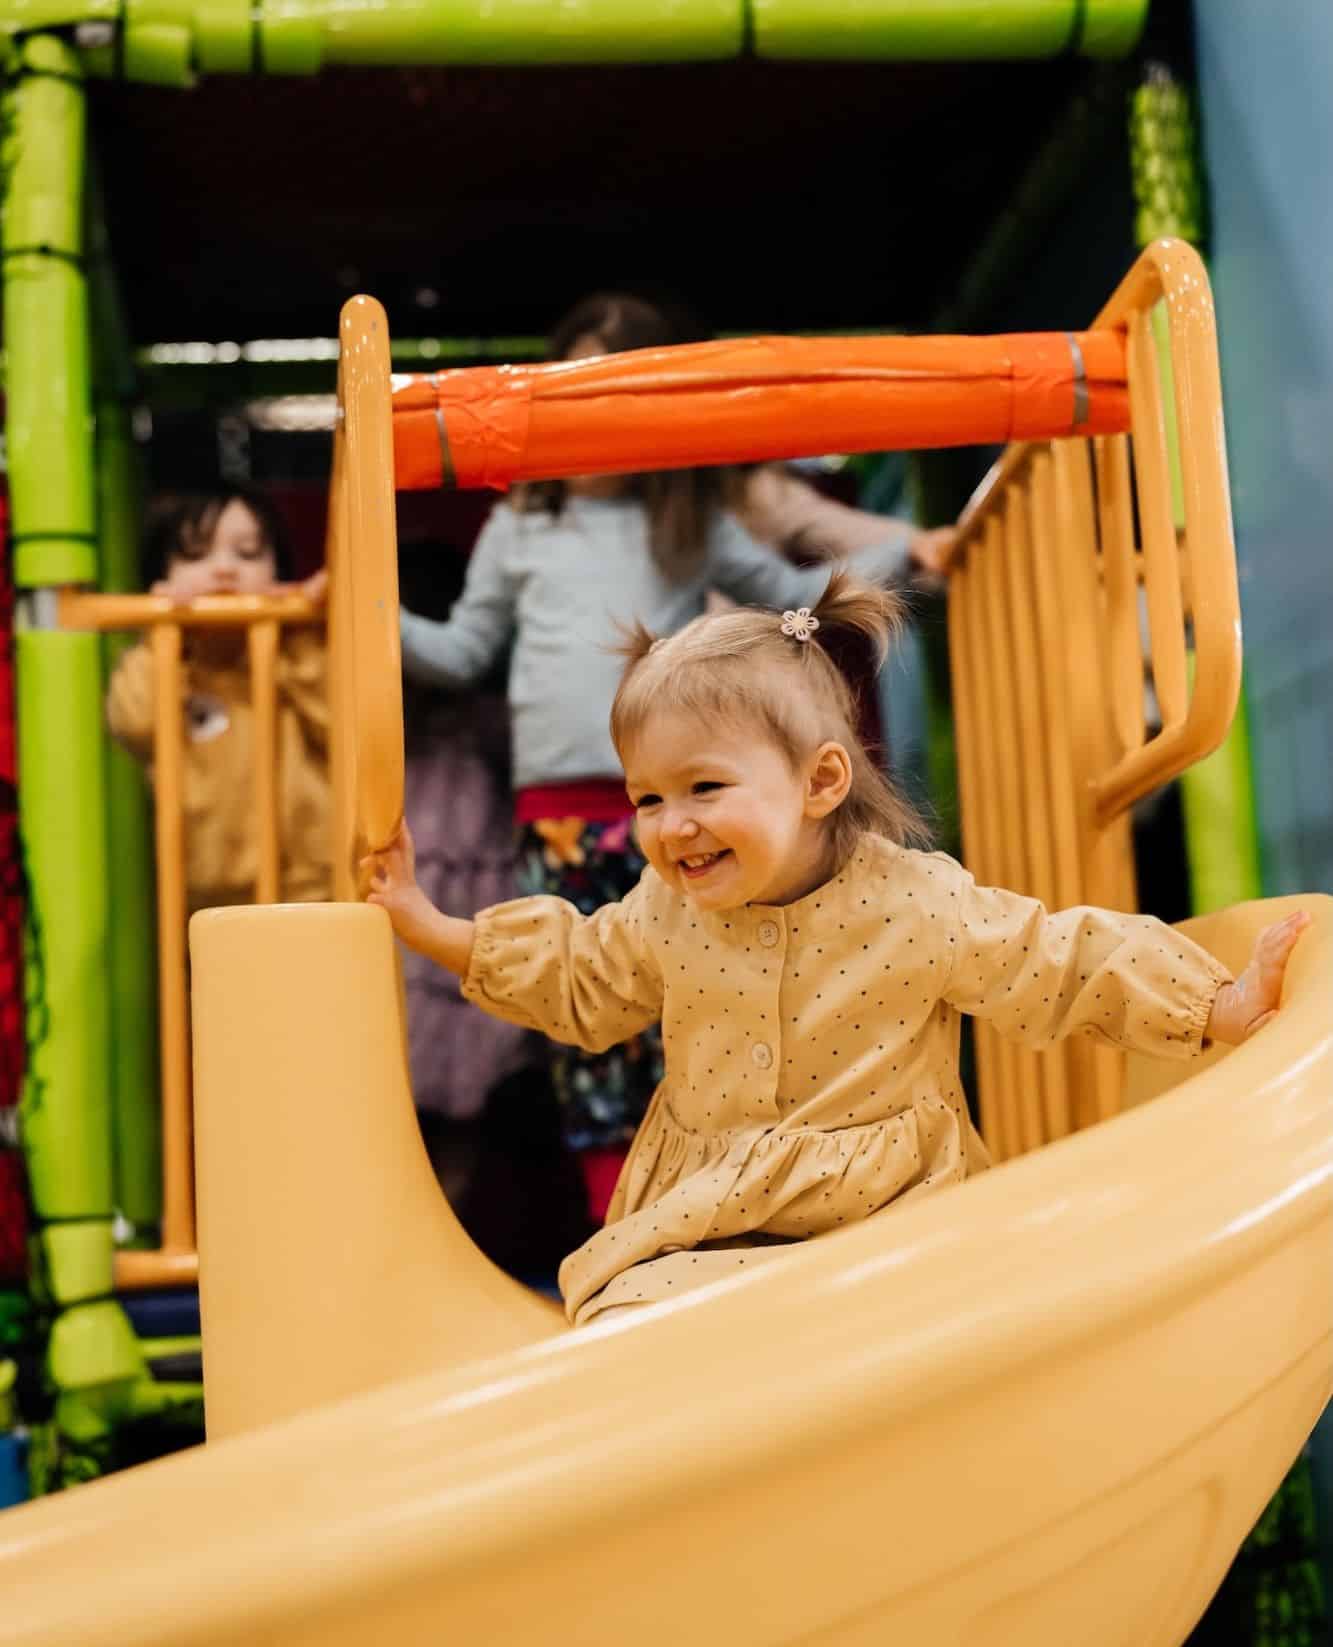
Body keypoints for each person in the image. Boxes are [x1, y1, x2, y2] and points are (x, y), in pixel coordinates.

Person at [366, 572, 1310, 1326]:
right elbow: (585, 973)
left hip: (889, 1215)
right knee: (625, 1318)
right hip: (708, 1215)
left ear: (821, 780)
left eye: (703, 786)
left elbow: (1055, 959)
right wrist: (427, 921)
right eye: (647, 797)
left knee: (937, 1318)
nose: (671, 825)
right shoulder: (667, 907)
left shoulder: (913, 903)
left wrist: (1215, 1003)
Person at [398, 292, 950, 1223]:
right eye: (573, 397)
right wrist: (361, 609)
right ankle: (627, 1219)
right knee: (594, 1024)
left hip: (681, 798)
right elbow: (459, 651)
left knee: (706, 1003)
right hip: (562, 810)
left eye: (617, 399)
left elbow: (792, 591)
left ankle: (730, 1212)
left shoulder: (686, 521)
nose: (595, 423)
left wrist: (909, 549)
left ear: (655, 413)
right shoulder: (523, 525)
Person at [106, 486, 331, 913]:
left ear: (279, 572)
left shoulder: (297, 653)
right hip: (209, 898)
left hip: (312, 888)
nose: (225, 569)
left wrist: (299, 631)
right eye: (196, 555)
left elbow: (344, 724)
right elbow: (136, 722)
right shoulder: (164, 662)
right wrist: (161, 638)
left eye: (248, 554)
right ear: (162, 577)